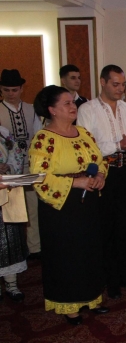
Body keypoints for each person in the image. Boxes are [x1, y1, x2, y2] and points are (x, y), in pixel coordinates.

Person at [30, 85, 109, 325]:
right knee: (67, 253)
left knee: (89, 250)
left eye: (73, 102)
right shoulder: (44, 139)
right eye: (66, 103)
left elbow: (99, 160)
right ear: (52, 110)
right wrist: (76, 182)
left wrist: (100, 176)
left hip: (88, 203)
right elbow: (39, 177)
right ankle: (69, 303)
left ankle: (91, 297)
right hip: (61, 207)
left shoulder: (83, 133)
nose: (73, 106)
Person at [77, 64, 126, 300]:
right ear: (103, 82)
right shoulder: (87, 109)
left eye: (122, 84)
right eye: (115, 84)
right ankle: (111, 281)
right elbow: (86, 146)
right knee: (106, 228)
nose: (120, 89)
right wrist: (118, 144)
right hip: (103, 173)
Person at [0, 69, 43, 260]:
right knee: (11, 211)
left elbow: (38, 136)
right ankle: (15, 250)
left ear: (21, 89)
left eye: (14, 90)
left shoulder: (31, 109)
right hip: (7, 170)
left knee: (33, 208)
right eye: (6, 90)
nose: (11, 93)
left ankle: (35, 248)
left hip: (30, 166)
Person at [0, 124, 28, 302]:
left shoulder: (4, 133)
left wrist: (8, 168)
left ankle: (11, 283)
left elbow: (17, 157)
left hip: (5, 193)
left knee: (10, 240)